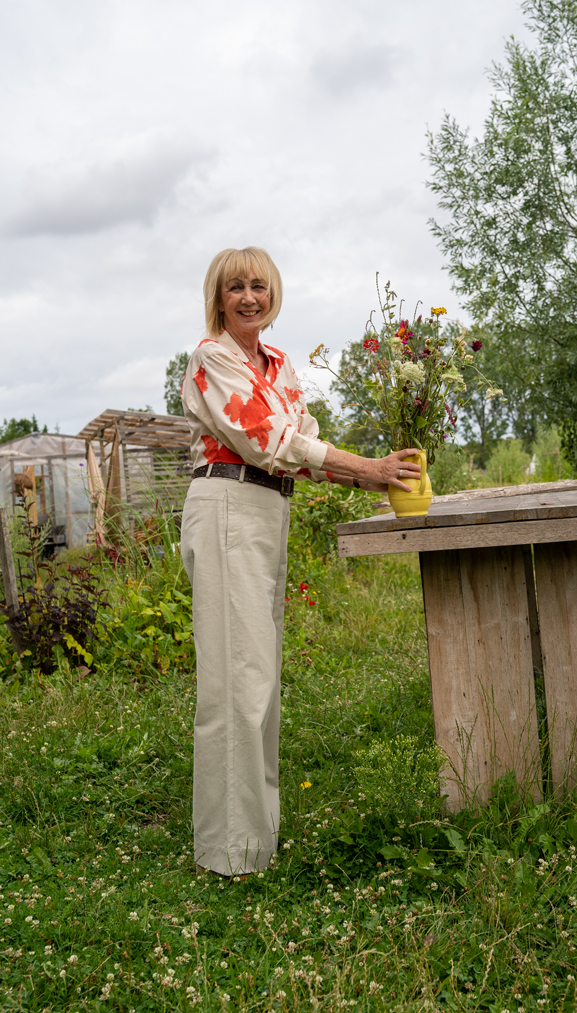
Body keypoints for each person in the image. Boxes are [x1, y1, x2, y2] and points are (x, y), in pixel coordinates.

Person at [180, 246, 421, 876]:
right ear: (219, 298)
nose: (249, 297)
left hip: (265, 510)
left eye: (259, 286)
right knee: (237, 679)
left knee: (259, 676)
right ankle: (230, 851)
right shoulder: (213, 359)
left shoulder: (278, 364)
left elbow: (303, 440)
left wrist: (365, 480)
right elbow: (266, 439)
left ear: (272, 293)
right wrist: (362, 466)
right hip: (227, 503)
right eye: (236, 288)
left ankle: (255, 835)